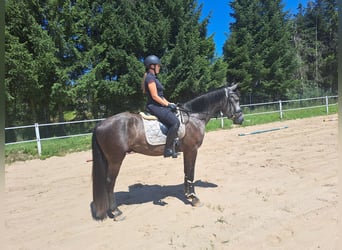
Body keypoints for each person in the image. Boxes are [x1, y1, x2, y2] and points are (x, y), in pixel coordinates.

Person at [142, 55, 180, 158]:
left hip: (159, 105)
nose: (159, 67)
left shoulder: (154, 78)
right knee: (175, 122)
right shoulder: (150, 78)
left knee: (175, 115)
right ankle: (167, 149)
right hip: (154, 106)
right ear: (152, 66)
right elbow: (154, 96)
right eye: (158, 66)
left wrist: (170, 104)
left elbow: (161, 96)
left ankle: (174, 142)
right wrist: (167, 105)